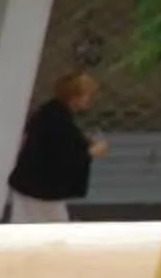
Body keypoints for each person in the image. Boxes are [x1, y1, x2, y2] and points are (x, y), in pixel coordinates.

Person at [6, 69, 106, 222]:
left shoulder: (49, 111)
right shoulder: (60, 122)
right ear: (75, 97)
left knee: (24, 227)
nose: (89, 100)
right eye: (86, 95)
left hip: (28, 182)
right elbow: (66, 158)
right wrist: (93, 151)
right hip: (42, 189)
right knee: (55, 231)